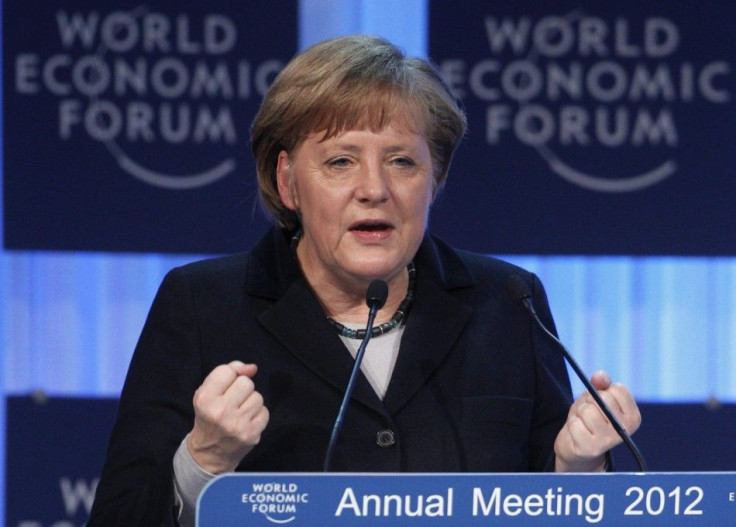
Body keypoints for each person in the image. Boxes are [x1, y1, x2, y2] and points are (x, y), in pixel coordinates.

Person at [89, 35, 641, 526]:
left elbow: (549, 508)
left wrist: (578, 472)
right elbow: (120, 516)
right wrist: (203, 461)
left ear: (435, 178)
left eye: (402, 161)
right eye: (340, 162)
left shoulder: (509, 302)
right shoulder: (202, 305)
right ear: (288, 183)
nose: (374, 188)